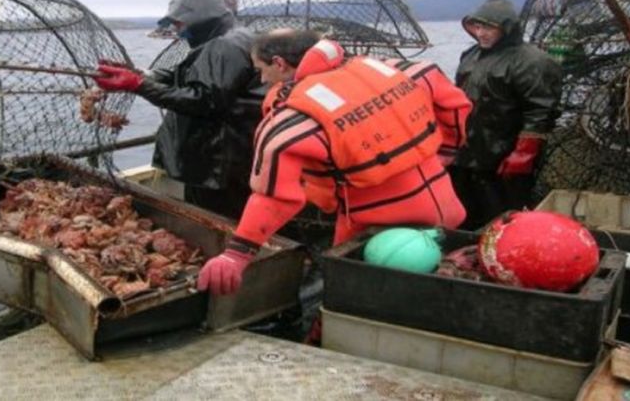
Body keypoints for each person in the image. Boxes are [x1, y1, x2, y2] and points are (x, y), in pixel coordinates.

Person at [197, 29, 468, 296]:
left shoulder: (293, 121)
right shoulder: (395, 70)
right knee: (440, 285)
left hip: (379, 230)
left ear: (279, 63)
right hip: (446, 206)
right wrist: (447, 151)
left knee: (358, 295)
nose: (262, 78)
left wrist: (237, 254)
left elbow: (276, 198)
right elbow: (456, 104)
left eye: (261, 69)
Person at [93, 0, 264, 219]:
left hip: (219, 163)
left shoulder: (224, 46)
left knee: (215, 220)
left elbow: (204, 100)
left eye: (180, 23)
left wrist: (138, 85)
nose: (177, 29)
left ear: (202, 17)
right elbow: (189, 75)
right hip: (231, 155)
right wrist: (141, 74)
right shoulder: (236, 36)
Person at [450, 0, 563, 231]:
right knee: (464, 214)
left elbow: (541, 112)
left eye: (489, 27)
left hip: (503, 156)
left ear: (507, 28)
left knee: (503, 218)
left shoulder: (533, 61)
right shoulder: (471, 55)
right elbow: (457, 96)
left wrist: (523, 154)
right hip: (467, 152)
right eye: (477, 26)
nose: (481, 33)